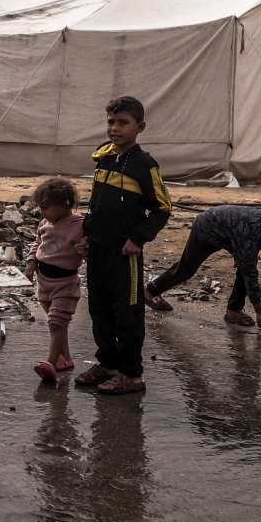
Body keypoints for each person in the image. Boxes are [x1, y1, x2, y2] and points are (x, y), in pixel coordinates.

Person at [74, 96, 172, 397]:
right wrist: (87, 236)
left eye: (122, 123)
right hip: (98, 250)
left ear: (139, 127)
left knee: (126, 312)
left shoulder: (144, 165)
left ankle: (131, 374)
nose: (114, 128)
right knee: (98, 308)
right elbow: (97, 206)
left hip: (124, 253)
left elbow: (162, 208)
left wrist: (138, 239)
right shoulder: (104, 158)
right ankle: (108, 364)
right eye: (110, 122)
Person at [145, 205, 261, 331]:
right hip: (207, 228)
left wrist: (243, 258)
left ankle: (233, 310)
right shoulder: (250, 232)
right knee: (186, 269)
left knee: (245, 268)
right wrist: (260, 311)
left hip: (230, 232)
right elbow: (250, 273)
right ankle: (150, 292)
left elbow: (248, 264)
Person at [24, 177, 85, 384]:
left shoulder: (80, 225)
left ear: (64, 204)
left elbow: (89, 250)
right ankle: (65, 359)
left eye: (46, 208)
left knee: (56, 323)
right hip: (44, 282)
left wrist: (85, 249)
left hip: (65, 284)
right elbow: (37, 243)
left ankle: (49, 362)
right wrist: (32, 261)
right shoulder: (44, 223)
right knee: (57, 323)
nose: (42, 212)